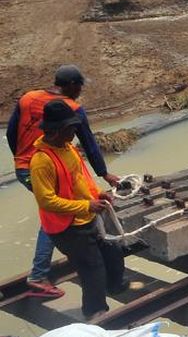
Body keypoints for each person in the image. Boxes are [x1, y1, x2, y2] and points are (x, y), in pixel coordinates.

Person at [7, 65, 119, 299]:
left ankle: (71, 254)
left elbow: (10, 132)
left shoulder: (29, 98)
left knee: (53, 212)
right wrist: (103, 172)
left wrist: (21, 158)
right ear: (72, 85)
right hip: (46, 163)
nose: (80, 91)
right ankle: (39, 274)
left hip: (23, 166)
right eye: (80, 86)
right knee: (53, 215)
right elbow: (88, 142)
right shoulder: (73, 108)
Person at [29, 99, 127, 321]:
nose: (74, 132)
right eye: (70, 128)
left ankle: (115, 288)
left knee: (113, 254)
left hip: (86, 217)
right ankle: (95, 313)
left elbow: (80, 179)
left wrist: (97, 195)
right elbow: (46, 201)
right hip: (67, 228)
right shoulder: (41, 162)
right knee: (92, 269)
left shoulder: (68, 148)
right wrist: (85, 205)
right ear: (55, 132)